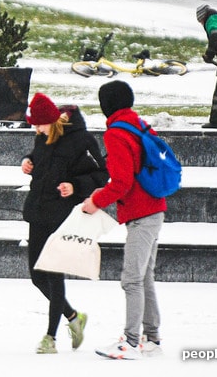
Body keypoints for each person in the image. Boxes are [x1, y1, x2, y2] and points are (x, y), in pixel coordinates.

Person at [81, 80, 166, 360]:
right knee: (144, 277)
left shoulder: (117, 134)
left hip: (142, 213)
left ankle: (131, 342)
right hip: (154, 207)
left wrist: (95, 202)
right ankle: (151, 338)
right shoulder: (138, 125)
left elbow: (121, 182)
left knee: (131, 280)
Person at [21, 92, 108, 354]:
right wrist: (28, 161)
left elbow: (101, 173)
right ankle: (73, 317)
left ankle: (50, 338)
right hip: (38, 212)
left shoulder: (82, 140)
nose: (37, 129)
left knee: (54, 273)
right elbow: (40, 159)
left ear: (53, 121)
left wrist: (75, 186)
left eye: (39, 124)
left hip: (62, 215)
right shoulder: (42, 137)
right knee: (37, 276)